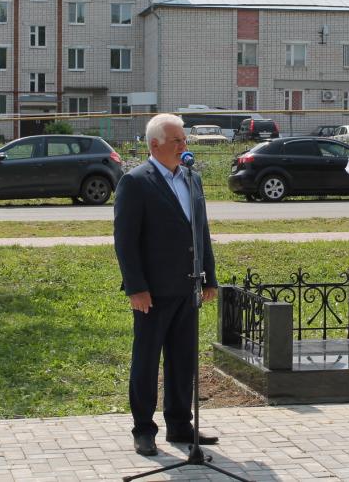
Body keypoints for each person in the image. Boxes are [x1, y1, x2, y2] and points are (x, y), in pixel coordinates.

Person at [113, 113, 219, 457]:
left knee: (182, 360)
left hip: (188, 286)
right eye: (177, 141)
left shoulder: (192, 178)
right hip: (153, 292)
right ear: (155, 145)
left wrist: (209, 276)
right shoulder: (135, 182)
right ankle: (144, 429)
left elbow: (201, 230)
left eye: (184, 140)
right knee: (146, 361)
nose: (183, 145)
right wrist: (136, 287)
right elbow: (125, 240)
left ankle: (180, 425)